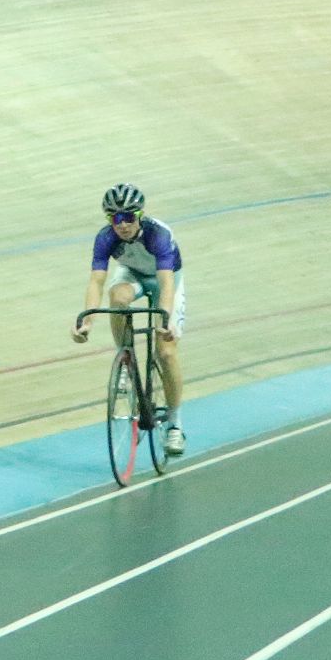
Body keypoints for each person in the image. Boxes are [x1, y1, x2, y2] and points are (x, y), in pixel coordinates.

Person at [72, 181, 185, 457]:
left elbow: (166, 284)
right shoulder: (105, 238)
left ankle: (175, 424)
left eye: (128, 217)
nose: (122, 225)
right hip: (132, 274)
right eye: (115, 218)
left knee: (166, 353)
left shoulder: (158, 234)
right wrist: (87, 320)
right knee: (118, 297)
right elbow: (96, 282)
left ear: (140, 215)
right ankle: (126, 358)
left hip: (166, 279)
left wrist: (166, 320)